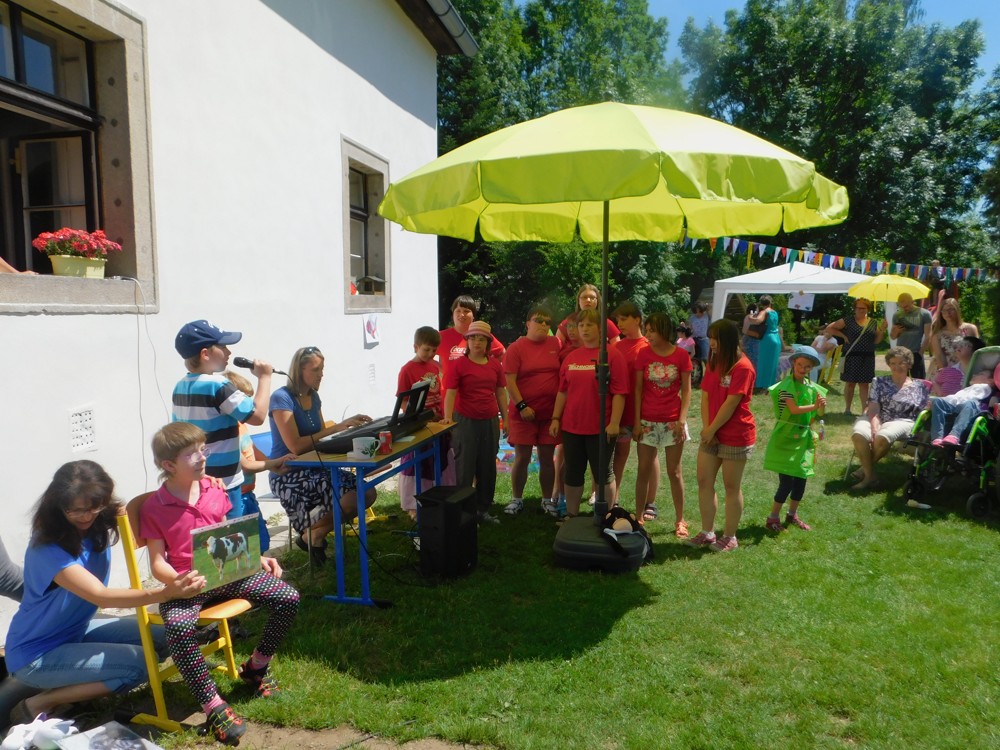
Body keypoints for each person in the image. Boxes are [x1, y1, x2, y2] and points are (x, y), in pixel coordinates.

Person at [4, 461, 204, 724]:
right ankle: (41, 702)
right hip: (36, 653)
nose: (86, 516)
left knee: (166, 637)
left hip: (76, 631)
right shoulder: (47, 548)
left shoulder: (100, 517)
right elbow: (101, 596)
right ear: (58, 505)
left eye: (93, 507)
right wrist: (166, 593)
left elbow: (148, 505)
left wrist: (201, 483)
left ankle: (83, 685)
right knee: (141, 663)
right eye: (76, 511)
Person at [142, 423, 300, 744]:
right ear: (168, 465)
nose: (203, 457)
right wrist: (176, 581)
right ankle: (212, 704)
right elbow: (157, 562)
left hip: (226, 576)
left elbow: (228, 535)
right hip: (186, 586)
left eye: (203, 450)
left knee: (287, 597)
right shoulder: (154, 508)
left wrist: (256, 558)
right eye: (192, 454)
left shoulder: (215, 489)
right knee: (178, 627)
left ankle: (256, 667)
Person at [267, 347, 376, 563]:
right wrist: (337, 427)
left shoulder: (313, 396)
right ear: (299, 370)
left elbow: (321, 439)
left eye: (322, 369)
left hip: (316, 466)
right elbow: (296, 447)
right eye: (316, 369)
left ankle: (313, 535)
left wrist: (349, 433)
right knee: (353, 497)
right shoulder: (281, 398)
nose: (321, 374)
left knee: (368, 492)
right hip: (289, 471)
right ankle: (313, 534)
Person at [172, 320, 273, 521]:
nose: (229, 352)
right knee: (231, 535)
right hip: (224, 483)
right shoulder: (218, 385)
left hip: (197, 481)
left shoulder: (180, 387)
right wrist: (265, 378)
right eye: (223, 346)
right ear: (205, 354)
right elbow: (257, 416)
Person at [548, 309, 628, 519]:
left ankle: (607, 517)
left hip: (601, 427)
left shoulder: (612, 356)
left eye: (589, 325)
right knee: (573, 472)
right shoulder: (571, 357)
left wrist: (614, 422)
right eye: (581, 325)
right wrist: (556, 418)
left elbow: (620, 393)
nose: (584, 329)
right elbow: (563, 391)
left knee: (603, 474)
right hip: (572, 426)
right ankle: (572, 516)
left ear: (600, 329)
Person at [687, 319, 756, 553]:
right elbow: (706, 395)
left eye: (715, 338)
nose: (711, 343)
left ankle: (730, 537)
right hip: (712, 434)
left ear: (728, 339)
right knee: (704, 480)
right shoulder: (714, 362)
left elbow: (731, 403)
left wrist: (711, 429)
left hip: (736, 435)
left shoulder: (743, 367)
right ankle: (707, 532)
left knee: (731, 486)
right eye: (710, 337)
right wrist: (708, 429)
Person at [442, 320, 508, 525]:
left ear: (488, 343)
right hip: (465, 420)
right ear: (467, 341)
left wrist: (506, 418)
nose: (477, 342)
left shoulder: (495, 365)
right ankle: (464, 513)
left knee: (487, 466)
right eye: (473, 338)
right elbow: (451, 393)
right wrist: (448, 418)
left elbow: (501, 392)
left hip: (489, 420)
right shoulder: (459, 365)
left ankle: (483, 509)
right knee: (465, 466)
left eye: (481, 339)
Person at [633, 313, 691, 535]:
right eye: (646, 330)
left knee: (674, 472)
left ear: (664, 331)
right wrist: (637, 421)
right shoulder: (643, 354)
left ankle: (680, 520)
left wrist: (682, 420)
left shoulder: (681, 355)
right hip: (647, 420)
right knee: (643, 469)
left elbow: (687, 391)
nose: (647, 335)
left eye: (652, 330)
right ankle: (638, 517)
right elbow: (638, 389)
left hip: (673, 421)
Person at [224, 371, 295, 552]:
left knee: (261, 541)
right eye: (245, 400)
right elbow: (246, 466)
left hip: (248, 493)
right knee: (246, 546)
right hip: (236, 497)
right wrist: (275, 463)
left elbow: (254, 450)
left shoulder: (241, 426)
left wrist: (275, 465)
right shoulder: (227, 431)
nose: (249, 406)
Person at [502, 307, 561, 516]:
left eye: (547, 322)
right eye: (538, 320)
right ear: (528, 324)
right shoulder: (516, 348)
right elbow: (509, 381)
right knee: (522, 458)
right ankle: (517, 499)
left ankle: (547, 500)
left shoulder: (556, 344)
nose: (543, 325)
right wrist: (522, 406)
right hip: (523, 414)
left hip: (549, 415)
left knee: (547, 458)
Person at [762, 347, 827, 533]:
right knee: (786, 482)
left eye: (807, 367)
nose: (802, 369)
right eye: (799, 364)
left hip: (804, 437)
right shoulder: (786, 386)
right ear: (793, 363)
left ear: (811, 368)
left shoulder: (812, 388)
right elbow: (794, 409)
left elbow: (817, 414)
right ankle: (772, 518)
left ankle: (792, 515)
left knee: (801, 479)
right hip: (786, 438)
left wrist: (821, 407)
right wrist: (815, 405)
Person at [850, 347, 933, 491]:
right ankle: (870, 476)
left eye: (901, 363)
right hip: (877, 416)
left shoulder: (920, 387)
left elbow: (925, 409)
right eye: (893, 363)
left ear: (909, 364)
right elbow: (873, 407)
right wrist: (875, 425)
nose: (896, 366)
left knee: (883, 437)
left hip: (904, 421)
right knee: (859, 433)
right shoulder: (879, 381)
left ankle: (865, 471)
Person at [396, 327, 452, 521]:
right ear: (415, 347)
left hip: (437, 422)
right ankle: (414, 506)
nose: (430, 354)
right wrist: (414, 416)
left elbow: (442, 391)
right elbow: (403, 400)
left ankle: (438, 497)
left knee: (439, 460)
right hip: (420, 425)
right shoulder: (407, 370)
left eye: (434, 350)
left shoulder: (436, 366)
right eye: (426, 349)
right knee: (418, 465)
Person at [610, 302, 655, 508]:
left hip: (645, 411)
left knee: (649, 458)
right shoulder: (616, 347)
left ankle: (650, 502)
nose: (619, 324)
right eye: (617, 320)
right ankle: (614, 498)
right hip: (622, 411)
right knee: (619, 454)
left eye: (623, 319)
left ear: (637, 319)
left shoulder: (648, 346)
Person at [823, 298, 886, 414]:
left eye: (864, 308)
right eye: (858, 308)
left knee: (864, 384)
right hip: (852, 356)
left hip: (867, 357)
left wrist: (882, 330)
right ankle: (847, 409)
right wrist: (843, 335)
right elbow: (829, 328)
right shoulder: (848, 320)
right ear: (855, 309)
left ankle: (864, 411)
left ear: (868, 309)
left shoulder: (873, 322)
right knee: (850, 383)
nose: (861, 310)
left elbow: (876, 341)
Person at [438, 295, 506, 382]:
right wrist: (442, 369)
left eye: (466, 311)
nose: (462, 314)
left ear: (473, 315)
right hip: (449, 389)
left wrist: (489, 368)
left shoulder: (482, 335)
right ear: (453, 314)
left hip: (477, 389)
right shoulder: (440, 336)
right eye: (458, 311)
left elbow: (502, 354)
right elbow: (425, 354)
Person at [928, 295, 979, 376]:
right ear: (941, 313)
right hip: (946, 371)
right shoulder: (937, 334)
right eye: (944, 310)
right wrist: (947, 375)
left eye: (951, 309)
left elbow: (977, 352)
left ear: (957, 310)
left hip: (967, 368)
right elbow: (939, 356)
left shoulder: (970, 329)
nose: (948, 313)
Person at [556, 284, 621, 345]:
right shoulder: (568, 322)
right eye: (584, 297)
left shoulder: (605, 323)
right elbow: (556, 346)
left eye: (592, 297)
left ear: (597, 301)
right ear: (579, 301)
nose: (588, 300)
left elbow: (617, 347)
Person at [891, 293, 932, 379]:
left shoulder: (924, 314)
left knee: (918, 381)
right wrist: (896, 331)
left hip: (916, 352)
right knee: (901, 381)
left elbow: (928, 336)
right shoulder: (897, 315)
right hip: (900, 353)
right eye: (901, 307)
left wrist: (921, 352)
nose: (904, 309)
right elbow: (893, 337)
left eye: (906, 306)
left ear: (912, 302)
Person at [748, 295, 781, 390]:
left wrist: (750, 317)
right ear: (770, 303)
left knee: (764, 362)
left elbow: (758, 321)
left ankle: (762, 385)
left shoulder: (764, 311)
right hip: (776, 337)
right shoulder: (775, 312)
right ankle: (771, 384)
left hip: (768, 338)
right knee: (773, 363)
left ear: (761, 304)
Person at [688, 302, 710, 385]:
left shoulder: (707, 316)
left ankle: (709, 377)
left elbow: (711, 306)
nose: (697, 314)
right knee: (696, 359)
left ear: (703, 310)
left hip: (704, 339)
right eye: (696, 311)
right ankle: (697, 378)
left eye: (699, 311)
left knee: (706, 359)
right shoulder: (692, 317)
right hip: (694, 339)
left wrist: (706, 306)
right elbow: (690, 328)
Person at [741, 303, 761, 370]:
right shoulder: (753, 318)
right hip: (752, 340)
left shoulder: (746, 317)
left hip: (745, 339)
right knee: (753, 360)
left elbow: (743, 330)